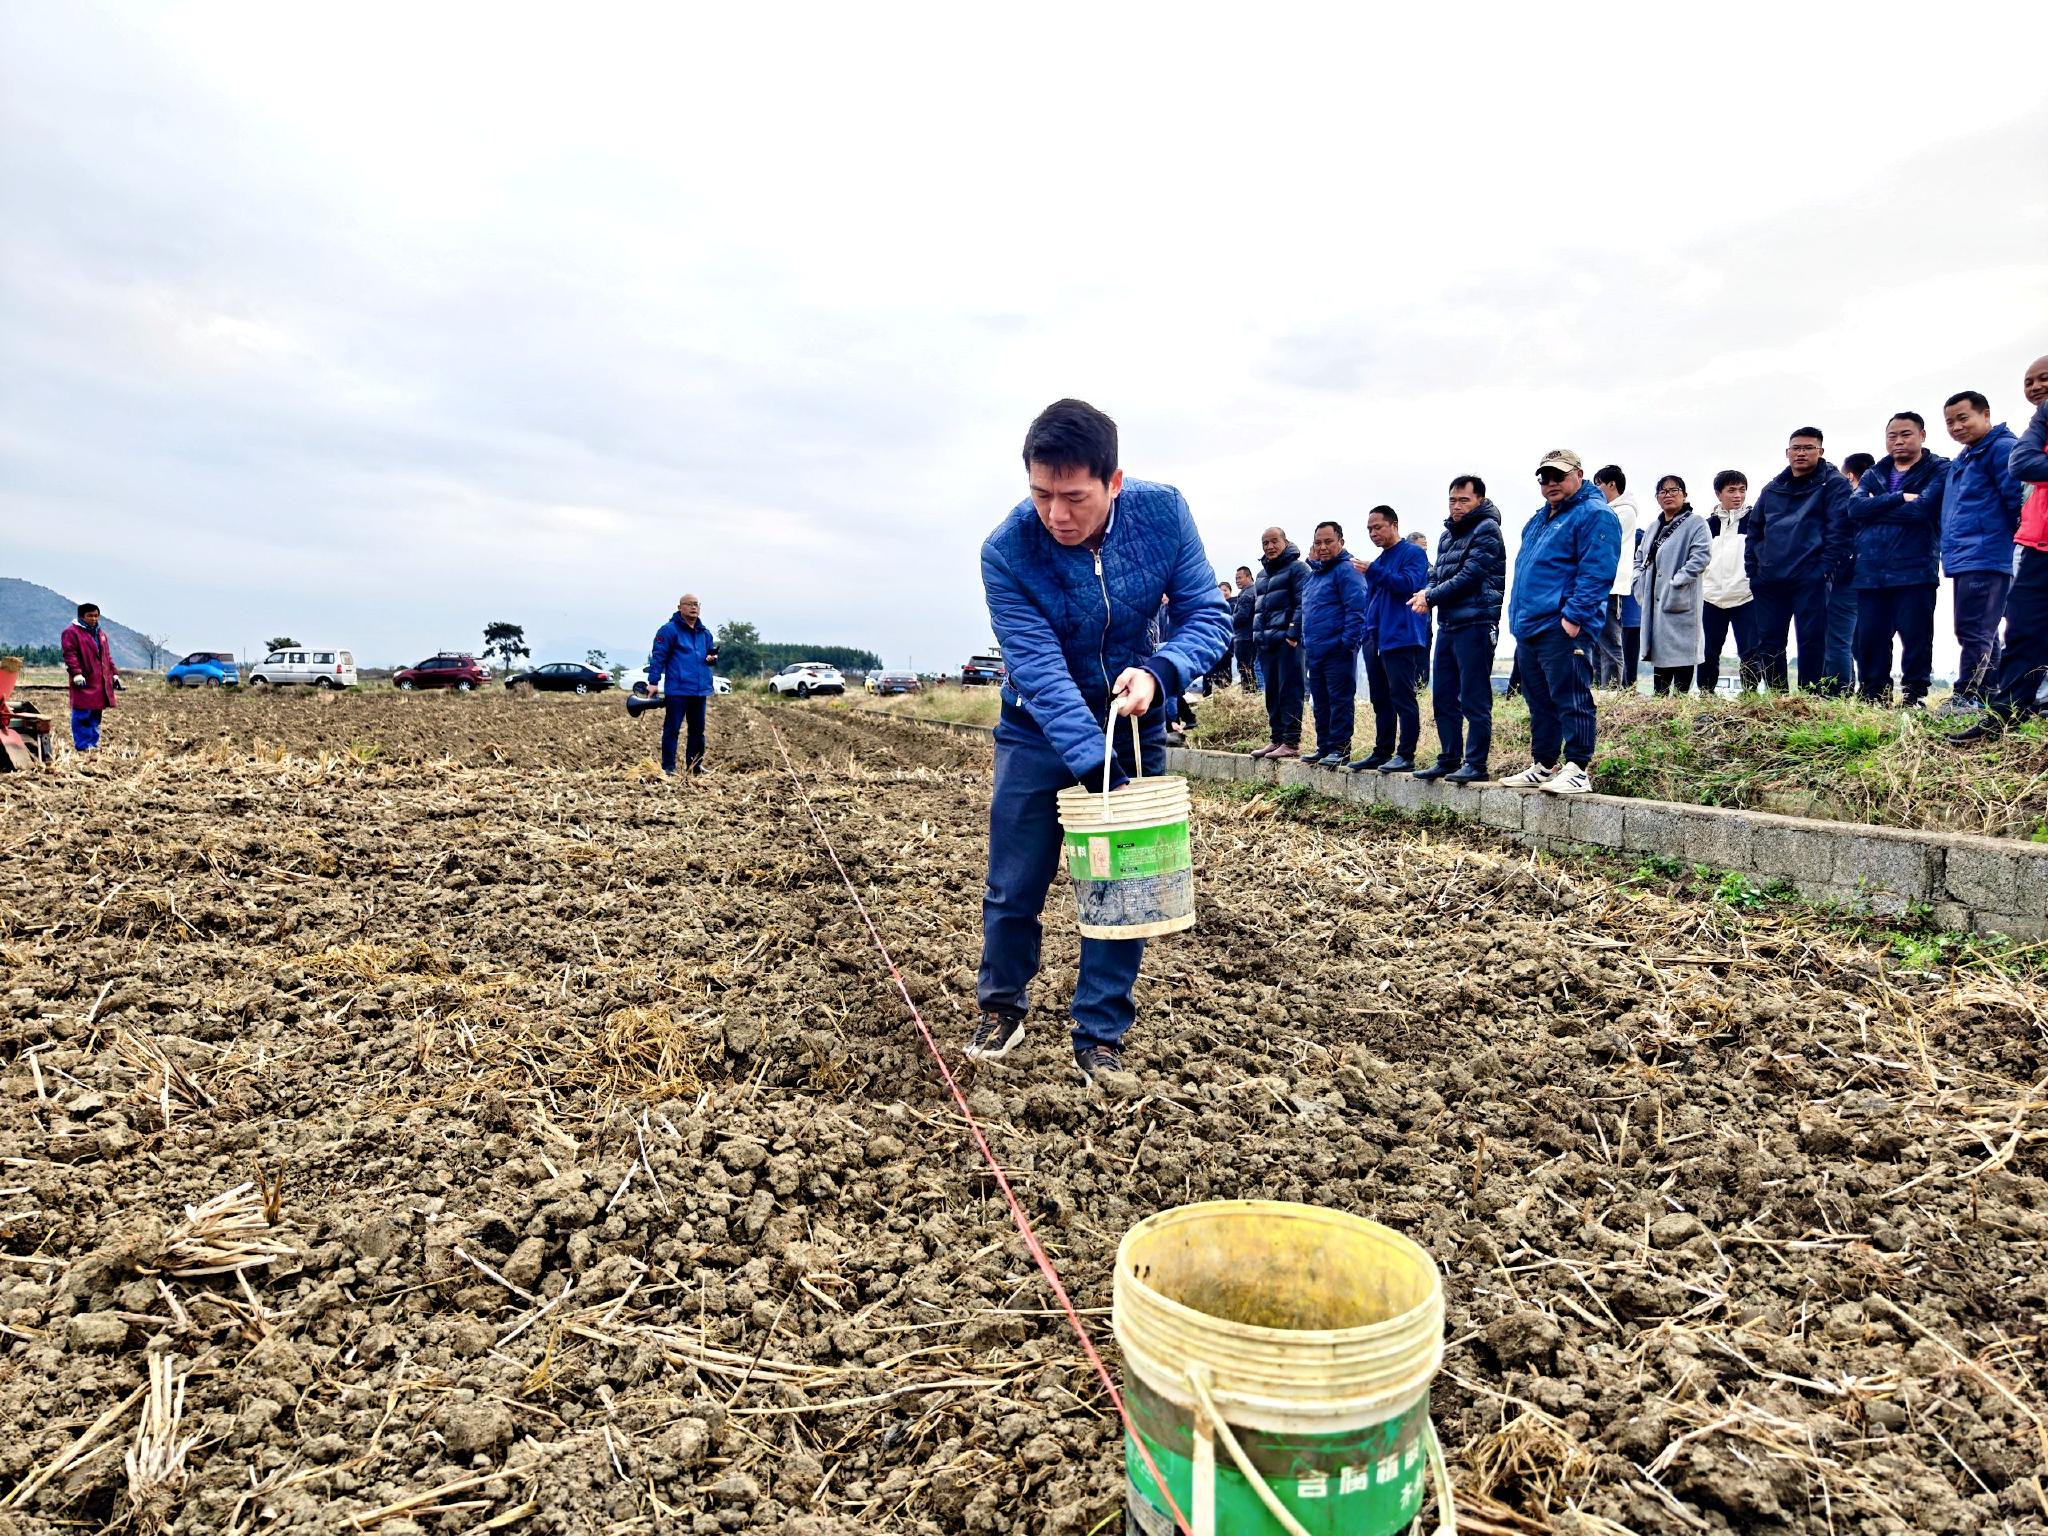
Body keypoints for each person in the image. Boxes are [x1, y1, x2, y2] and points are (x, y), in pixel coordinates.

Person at [970, 399, 1228, 1083]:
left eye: (1074, 496)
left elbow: (1207, 614)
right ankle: (1001, 1005)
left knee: (1123, 886)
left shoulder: (1163, 514)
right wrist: (1099, 772)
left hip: (1133, 722)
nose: (1056, 514)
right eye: (1041, 494)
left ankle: (1100, 1032)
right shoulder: (1007, 551)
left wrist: (1160, 671)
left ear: (1113, 483)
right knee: (1015, 881)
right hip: (1037, 729)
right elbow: (1039, 670)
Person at [1502, 451, 1620, 794]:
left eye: (1559, 476)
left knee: (1571, 695)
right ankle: (1544, 764)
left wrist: (1574, 617)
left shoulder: (1595, 514)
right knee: (1538, 699)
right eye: (1545, 478)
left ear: (1579, 474)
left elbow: (1597, 571)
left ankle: (1578, 768)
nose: (1551, 483)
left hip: (1562, 624)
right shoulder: (1539, 519)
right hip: (1530, 625)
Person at [1952, 356, 2048, 742]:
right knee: (2023, 629)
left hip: (2010, 545)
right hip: (2038, 542)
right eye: (2029, 381)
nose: (2036, 387)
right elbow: (2022, 463)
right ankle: (2006, 716)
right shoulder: (2041, 420)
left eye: (2044, 378)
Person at [1408, 475, 1505, 782]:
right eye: (1453, 500)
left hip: (1476, 622)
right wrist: (1428, 592)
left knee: (1474, 697)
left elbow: (1471, 575)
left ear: (1480, 500)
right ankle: (1449, 758)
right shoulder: (1447, 536)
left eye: (1464, 500)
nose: (1457, 506)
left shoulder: (1487, 529)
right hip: (1449, 624)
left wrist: (1431, 596)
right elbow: (1437, 573)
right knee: (1443, 697)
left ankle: (1476, 764)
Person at [1847, 415, 1945, 707]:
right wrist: (1901, 497)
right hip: (1870, 569)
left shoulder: (1939, 468)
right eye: (1892, 435)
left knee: (1916, 636)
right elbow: (1854, 508)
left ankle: (1914, 694)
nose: (1898, 441)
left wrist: (1875, 507)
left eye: (1906, 434)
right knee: (1870, 637)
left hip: (1915, 567)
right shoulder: (1874, 472)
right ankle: (1873, 693)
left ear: (1922, 435)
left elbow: (1924, 510)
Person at [1746, 427, 1852, 692]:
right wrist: (1754, 572)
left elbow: (1839, 529)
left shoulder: (1834, 483)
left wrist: (1823, 570)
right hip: (1769, 579)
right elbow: (1754, 530)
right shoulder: (1772, 488)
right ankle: (1777, 697)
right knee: (1769, 641)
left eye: (1808, 448)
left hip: (1811, 577)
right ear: (1787, 452)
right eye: (1796, 448)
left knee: (1812, 641)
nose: (1801, 453)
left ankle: (1809, 697)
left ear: (1821, 451)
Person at [1940, 390, 2025, 710]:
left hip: (1987, 553)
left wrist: (2012, 547)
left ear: (1985, 414)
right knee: (1982, 629)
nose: (1957, 427)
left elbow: (2017, 501)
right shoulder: (1966, 456)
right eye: (1950, 422)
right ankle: (1987, 694)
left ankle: (1968, 695)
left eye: (1964, 418)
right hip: (1965, 556)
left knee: (1974, 628)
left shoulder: (2000, 448)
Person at [1350, 506, 1430, 772]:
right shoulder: (1380, 560)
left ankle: (1405, 754)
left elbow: (1408, 584)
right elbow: (1370, 601)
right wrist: (1366, 634)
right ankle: (1382, 752)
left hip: (1401, 636)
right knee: (1380, 698)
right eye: (1369, 529)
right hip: (1375, 637)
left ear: (1394, 525)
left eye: (1378, 527)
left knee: (1402, 696)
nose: (1374, 533)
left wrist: (1373, 571)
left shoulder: (1414, 553)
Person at [1634, 476, 1714, 694]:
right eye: (1663, 491)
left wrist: (1677, 582)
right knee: (1660, 653)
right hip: (1654, 600)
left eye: (1674, 490)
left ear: (1684, 495)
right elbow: (1639, 557)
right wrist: (1637, 581)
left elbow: (1701, 556)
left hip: (1680, 598)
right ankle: (1660, 705)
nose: (1668, 495)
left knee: (1682, 651)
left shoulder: (1695, 523)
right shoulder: (1653, 527)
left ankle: (1680, 704)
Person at [1300, 521, 1369, 767]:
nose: (1323, 547)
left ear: (1341, 542)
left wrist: (1348, 642)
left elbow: (1357, 608)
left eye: (1328, 542)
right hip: (1315, 651)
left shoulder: (1347, 570)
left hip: (1338, 649)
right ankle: (1324, 747)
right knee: (1320, 701)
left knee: (1340, 700)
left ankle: (1340, 750)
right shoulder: (1315, 576)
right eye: (1318, 542)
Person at [1698, 471, 1759, 694]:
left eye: (1742, 490)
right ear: (1718, 493)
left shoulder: (1755, 521)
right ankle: (1706, 694)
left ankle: (1750, 694)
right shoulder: (1706, 525)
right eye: (1731, 490)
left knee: (1751, 651)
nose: (1738, 496)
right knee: (1708, 651)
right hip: (1711, 596)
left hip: (1746, 595)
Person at [1249, 526, 1307, 759]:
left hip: (1287, 642)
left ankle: (1291, 742)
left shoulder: (1298, 568)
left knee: (1290, 690)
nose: (1270, 547)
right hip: (1265, 642)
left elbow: (1304, 603)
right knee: (1271, 692)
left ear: (1285, 541)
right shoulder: (1262, 575)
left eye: (1274, 541)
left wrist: (1293, 634)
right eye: (1265, 543)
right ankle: (1276, 739)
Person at [645, 593, 720, 774]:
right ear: (680, 607)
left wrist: (712, 658)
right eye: (689, 604)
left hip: (699, 690)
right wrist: (653, 682)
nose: (694, 607)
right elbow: (658, 657)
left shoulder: (705, 633)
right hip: (677, 689)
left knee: (697, 731)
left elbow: (711, 655)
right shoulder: (669, 630)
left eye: (696, 604)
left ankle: (695, 767)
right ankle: (668, 767)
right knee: (672, 729)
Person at [1591, 466, 1640, 687]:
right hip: (1595, 585)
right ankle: (1596, 689)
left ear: (1612, 485)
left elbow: (1600, 538)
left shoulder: (1624, 511)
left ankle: (1611, 690)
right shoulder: (1606, 510)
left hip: (1611, 586)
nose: (1595, 490)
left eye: (1598, 484)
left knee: (1610, 642)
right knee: (1594, 642)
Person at [61, 602, 119, 752]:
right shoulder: (71, 632)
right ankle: (82, 745)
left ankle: (92, 744)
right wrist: (76, 673)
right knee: (82, 713)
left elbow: (106, 656)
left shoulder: (101, 633)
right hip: (84, 680)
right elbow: (70, 654)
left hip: (100, 681)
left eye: (96, 615)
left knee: (95, 713)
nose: (94, 618)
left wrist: (114, 674)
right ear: (81, 616)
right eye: (90, 616)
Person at [1230, 566, 1260, 692]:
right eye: (1236, 578)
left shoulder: (1247, 593)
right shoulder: (1253, 590)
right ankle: (1251, 693)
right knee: (1249, 667)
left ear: (1248, 577)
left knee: (1245, 668)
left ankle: (1249, 694)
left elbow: (1241, 617)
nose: (1237, 581)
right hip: (1250, 635)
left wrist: (1229, 619)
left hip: (1244, 637)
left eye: (1240, 578)